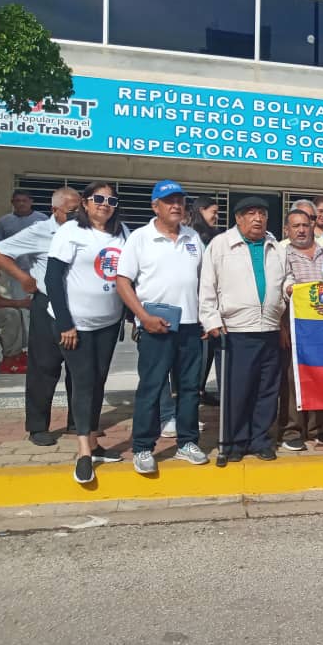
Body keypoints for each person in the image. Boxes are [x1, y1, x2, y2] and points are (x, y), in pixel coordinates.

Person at [117, 180, 209, 475]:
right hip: (155, 326)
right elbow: (122, 281)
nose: (176, 206)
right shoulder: (140, 238)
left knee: (190, 389)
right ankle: (143, 447)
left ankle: (187, 443)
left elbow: (205, 281)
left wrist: (206, 317)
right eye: (169, 201)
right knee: (151, 388)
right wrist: (142, 317)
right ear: (155, 206)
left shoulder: (193, 237)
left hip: (190, 327)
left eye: (180, 200)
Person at [45, 182, 127, 485]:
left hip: (108, 322)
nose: (105, 204)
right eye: (99, 199)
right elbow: (53, 278)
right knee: (83, 381)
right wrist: (65, 322)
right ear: (85, 202)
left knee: (98, 381)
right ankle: (83, 451)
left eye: (111, 200)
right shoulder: (71, 231)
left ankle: (94, 442)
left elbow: (127, 275)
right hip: (74, 324)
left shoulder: (122, 232)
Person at [0, 187, 80, 443]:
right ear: (55, 210)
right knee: (44, 367)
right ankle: (38, 427)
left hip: (79, 306)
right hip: (47, 304)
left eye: (80, 209)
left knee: (79, 368)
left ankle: (78, 422)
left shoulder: (85, 230)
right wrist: (23, 278)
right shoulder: (40, 230)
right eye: (71, 211)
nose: (77, 214)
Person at [199, 197, 288, 462]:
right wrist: (211, 320)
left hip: (270, 328)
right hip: (235, 331)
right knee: (237, 391)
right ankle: (235, 441)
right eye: (251, 213)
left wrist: (289, 289)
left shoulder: (275, 246)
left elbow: (285, 279)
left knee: (266, 389)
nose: (258, 219)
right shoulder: (221, 245)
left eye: (262, 213)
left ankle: (260, 439)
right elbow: (207, 286)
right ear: (238, 218)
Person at [278, 208, 323, 450]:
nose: (301, 230)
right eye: (295, 226)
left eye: (305, 225)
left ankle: (317, 428)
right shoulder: (281, 254)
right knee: (292, 377)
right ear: (287, 230)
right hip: (294, 321)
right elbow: (279, 288)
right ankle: (292, 430)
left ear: (312, 226)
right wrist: (281, 324)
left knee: (320, 375)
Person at [185, 195, 222, 407]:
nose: (216, 216)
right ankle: (192, 393)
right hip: (197, 305)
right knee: (198, 355)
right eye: (213, 212)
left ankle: (200, 390)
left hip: (213, 305)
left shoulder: (214, 237)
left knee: (208, 354)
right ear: (200, 211)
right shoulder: (193, 237)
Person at [0, 189, 48, 303]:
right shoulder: (4, 221)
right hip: (14, 272)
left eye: (24, 200)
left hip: (38, 270)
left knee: (38, 305)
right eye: (18, 201)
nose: (21, 203)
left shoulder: (42, 219)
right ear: (12, 202)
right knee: (17, 304)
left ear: (31, 202)